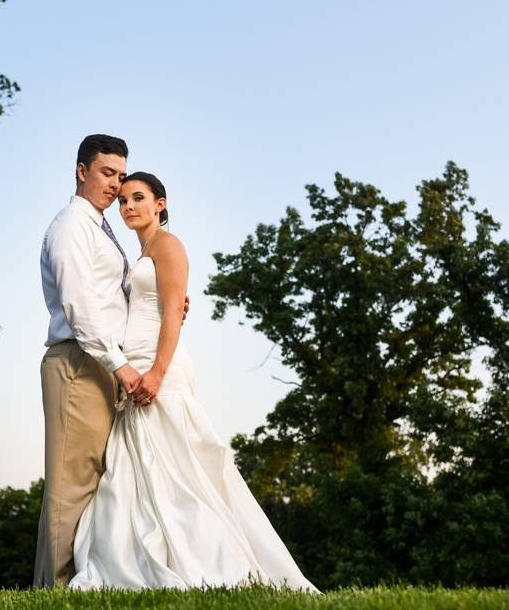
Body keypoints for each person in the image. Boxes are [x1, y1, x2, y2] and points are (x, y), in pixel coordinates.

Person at [67, 172, 321, 593]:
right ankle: (141, 557)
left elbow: (171, 315)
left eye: (138, 198)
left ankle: (209, 556)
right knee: (142, 467)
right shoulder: (142, 251)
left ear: (160, 204)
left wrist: (157, 372)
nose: (128, 206)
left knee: (180, 465)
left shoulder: (169, 245)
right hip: (137, 362)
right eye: (124, 201)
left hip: (159, 366)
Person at [34, 134, 143, 587]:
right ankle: (52, 589)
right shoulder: (71, 227)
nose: (116, 185)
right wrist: (119, 366)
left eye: (121, 176)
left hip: (100, 361)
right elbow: (81, 307)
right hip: (79, 362)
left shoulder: (100, 227)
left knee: (96, 478)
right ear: (82, 171)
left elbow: (109, 297)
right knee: (70, 482)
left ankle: (84, 581)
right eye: (106, 173)